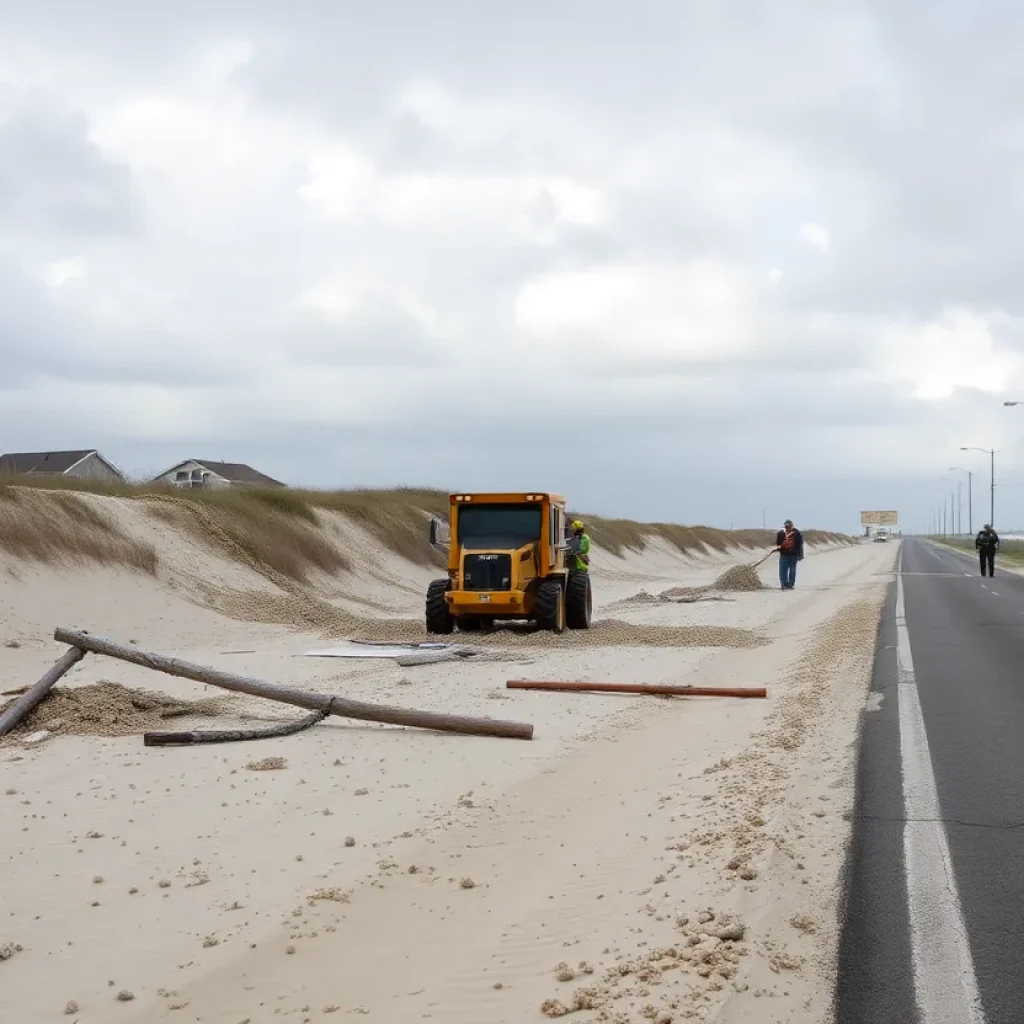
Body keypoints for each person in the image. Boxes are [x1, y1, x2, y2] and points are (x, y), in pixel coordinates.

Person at [775, 519, 804, 590]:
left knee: (783, 570)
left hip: (785, 554)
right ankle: (789, 584)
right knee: (792, 570)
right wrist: (800, 555)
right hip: (793, 554)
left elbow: (778, 543)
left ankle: (784, 584)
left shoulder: (781, 532)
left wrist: (779, 549)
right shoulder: (796, 532)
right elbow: (800, 545)